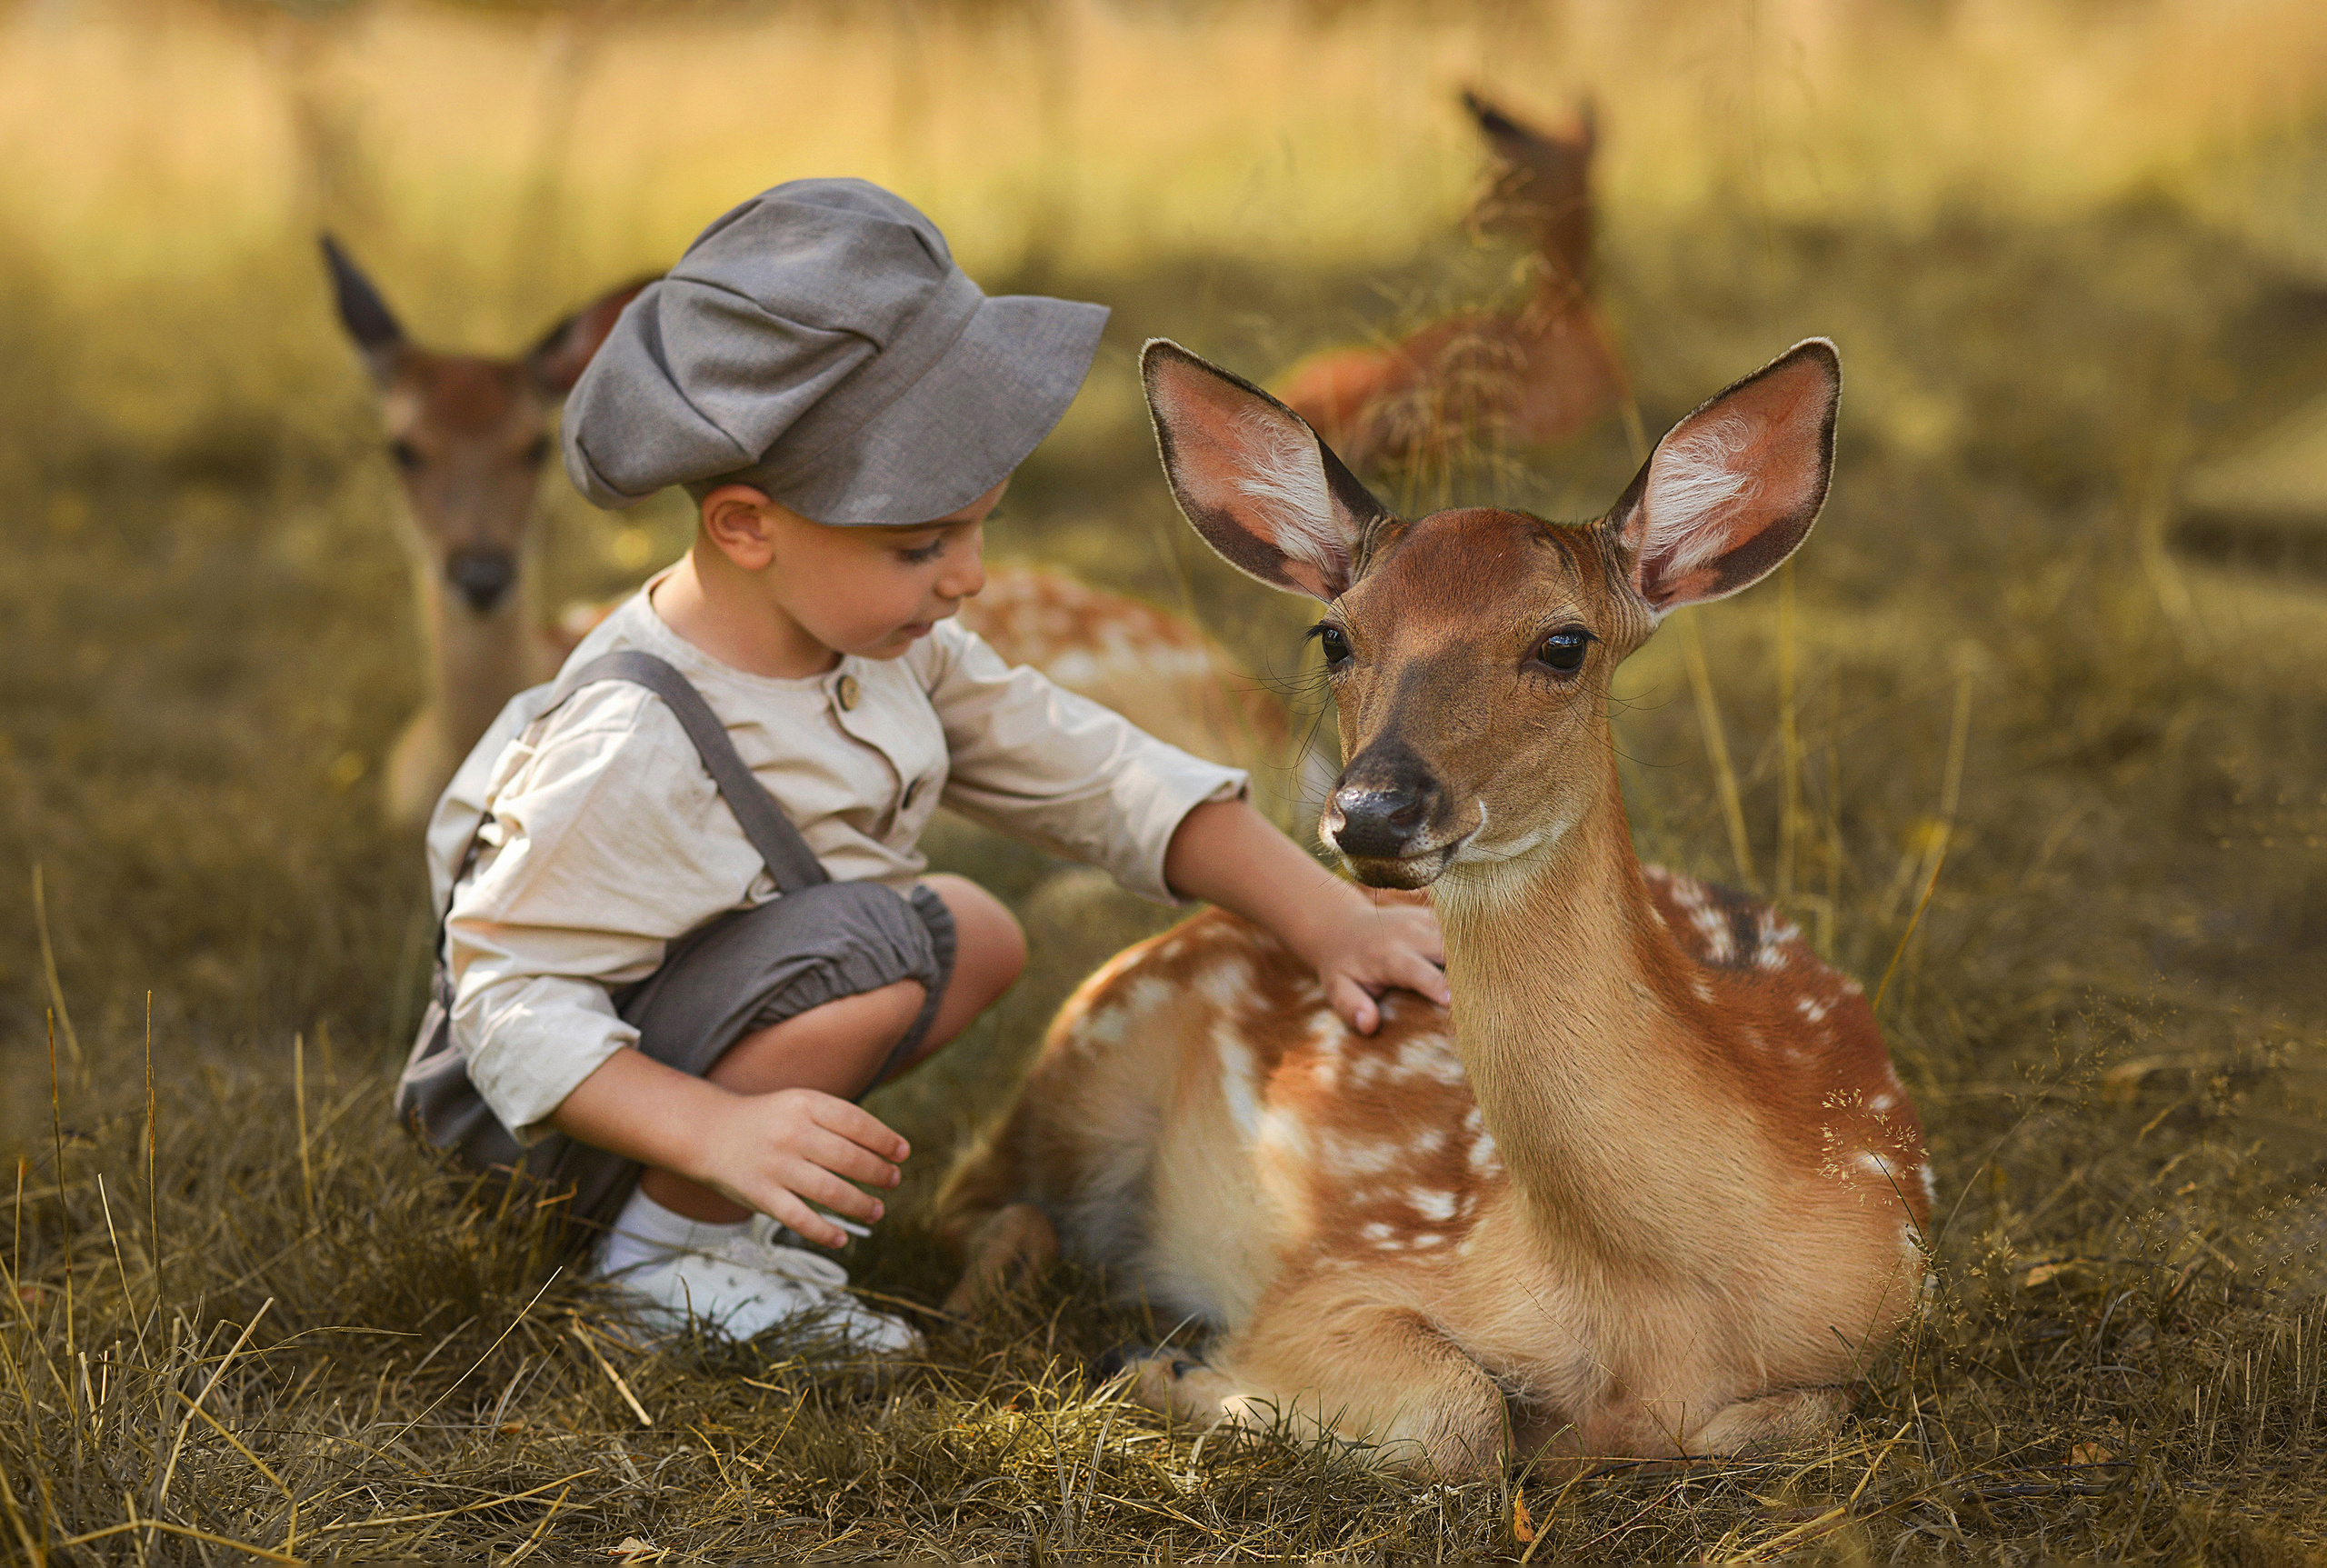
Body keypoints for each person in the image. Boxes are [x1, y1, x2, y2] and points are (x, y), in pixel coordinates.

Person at [396, 178, 1447, 1352]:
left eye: (978, 526)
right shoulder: (631, 740)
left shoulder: (888, 648)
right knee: (891, 947)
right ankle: (663, 1259)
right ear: (746, 527)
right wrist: (707, 1133)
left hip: (687, 1043)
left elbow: (1097, 774)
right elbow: (508, 1005)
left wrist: (1329, 921)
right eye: (920, 544)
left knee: (972, 929)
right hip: (560, 1118)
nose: (968, 576)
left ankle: (714, 1211)